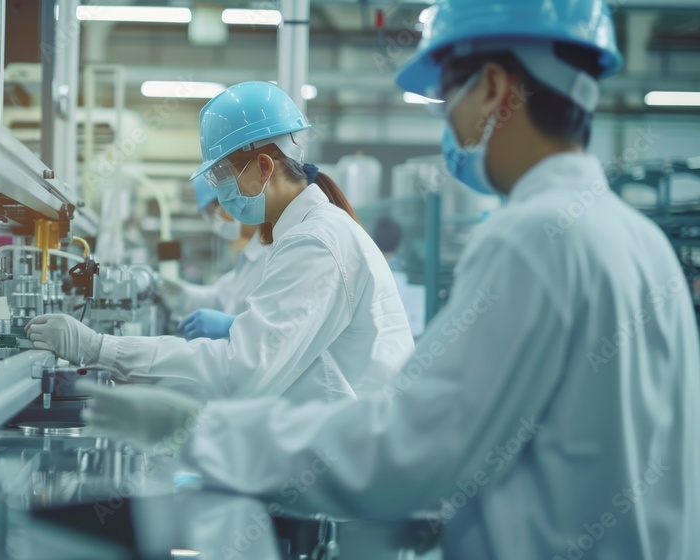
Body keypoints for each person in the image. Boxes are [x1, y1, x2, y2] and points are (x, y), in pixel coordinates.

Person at [78, 2, 700, 559]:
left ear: (491, 90)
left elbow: (410, 447)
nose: (447, 124)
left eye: (447, 96)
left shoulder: (533, 241)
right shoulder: (641, 242)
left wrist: (196, 432)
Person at [27, 81, 415, 405]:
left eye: (221, 177)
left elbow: (240, 371)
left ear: (264, 168)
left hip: (351, 457)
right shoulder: (305, 233)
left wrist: (100, 349)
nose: (221, 193)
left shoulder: (316, 242)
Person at [162, 176, 269, 341]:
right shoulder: (251, 254)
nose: (218, 218)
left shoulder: (271, 253)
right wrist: (178, 294)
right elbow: (219, 297)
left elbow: (280, 329)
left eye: (216, 209)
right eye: (209, 213)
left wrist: (231, 325)